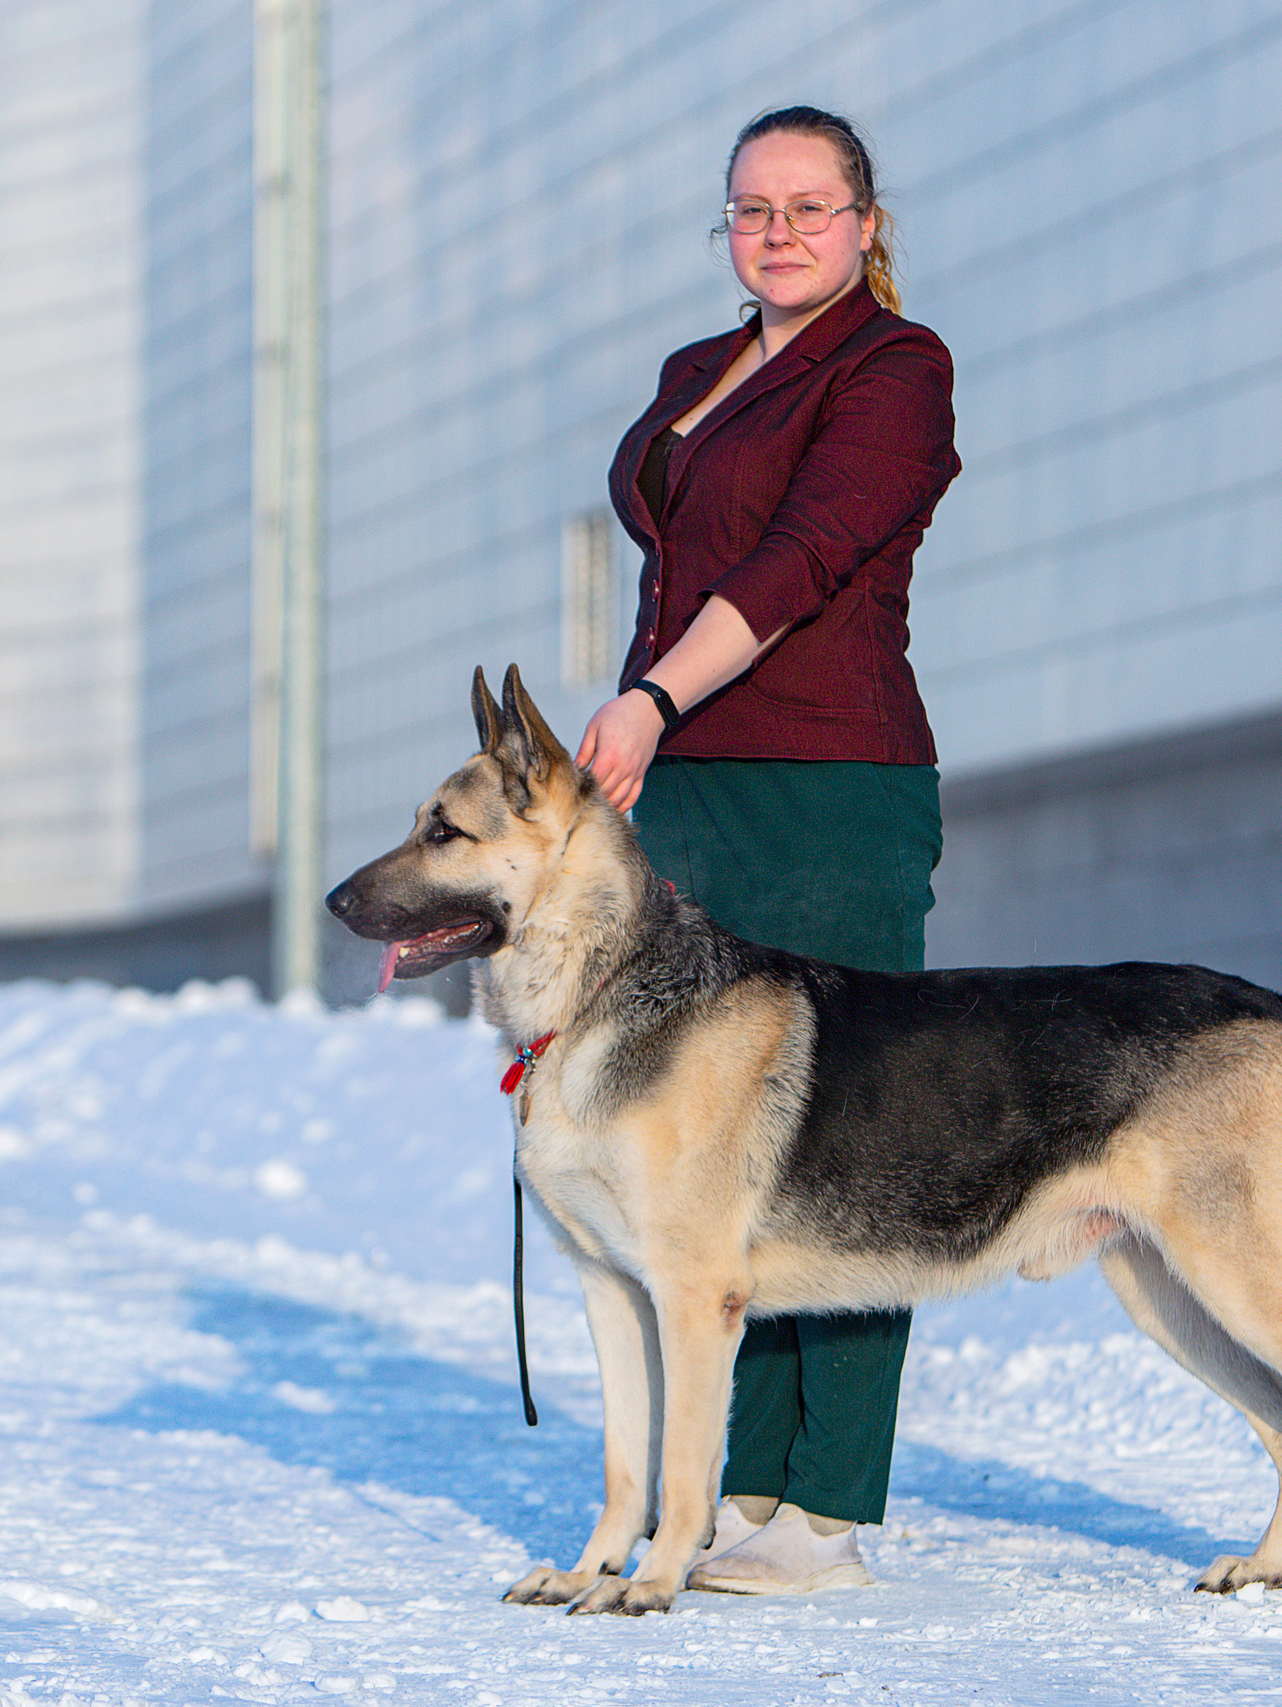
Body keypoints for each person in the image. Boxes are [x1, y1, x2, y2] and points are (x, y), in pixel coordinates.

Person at [574, 105, 959, 1594]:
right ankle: (735, 1483)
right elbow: (676, 566)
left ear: (866, 219)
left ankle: (827, 1509)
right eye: (752, 210)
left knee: (848, 1139)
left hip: (827, 780)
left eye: (810, 206)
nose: (780, 231)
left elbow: (797, 562)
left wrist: (655, 698)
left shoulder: (894, 369)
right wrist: (637, 739)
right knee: (703, 1150)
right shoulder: (702, 368)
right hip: (684, 787)